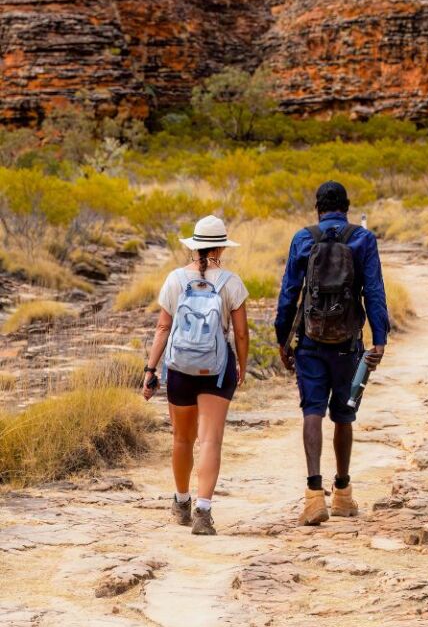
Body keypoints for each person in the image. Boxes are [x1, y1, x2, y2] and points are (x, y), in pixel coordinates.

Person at [275, 181, 389, 524]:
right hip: (348, 343)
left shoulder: (303, 238)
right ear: (347, 207)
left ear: (318, 208)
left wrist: (283, 339)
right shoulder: (362, 239)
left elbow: (289, 293)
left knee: (312, 411)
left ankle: (314, 496)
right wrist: (379, 339)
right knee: (344, 415)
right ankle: (342, 494)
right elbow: (374, 290)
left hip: (310, 342)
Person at [143, 215, 249, 536]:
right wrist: (242, 365)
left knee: (182, 439)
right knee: (210, 439)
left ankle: (181, 503)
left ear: (194, 246)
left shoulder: (175, 279)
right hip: (217, 370)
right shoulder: (231, 282)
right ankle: (204, 511)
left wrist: (150, 369)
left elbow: (163, 328)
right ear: (221, 248)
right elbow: (241, 333)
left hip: (180, 369)